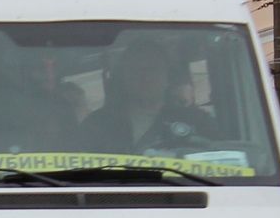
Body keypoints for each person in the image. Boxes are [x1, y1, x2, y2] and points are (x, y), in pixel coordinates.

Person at [78, 42, 216, 157]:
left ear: (168, 76)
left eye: (153, 69)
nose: (146, 78)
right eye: (137, 70)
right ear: (123, 77)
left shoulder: (196, 122)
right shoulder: (97, 124)